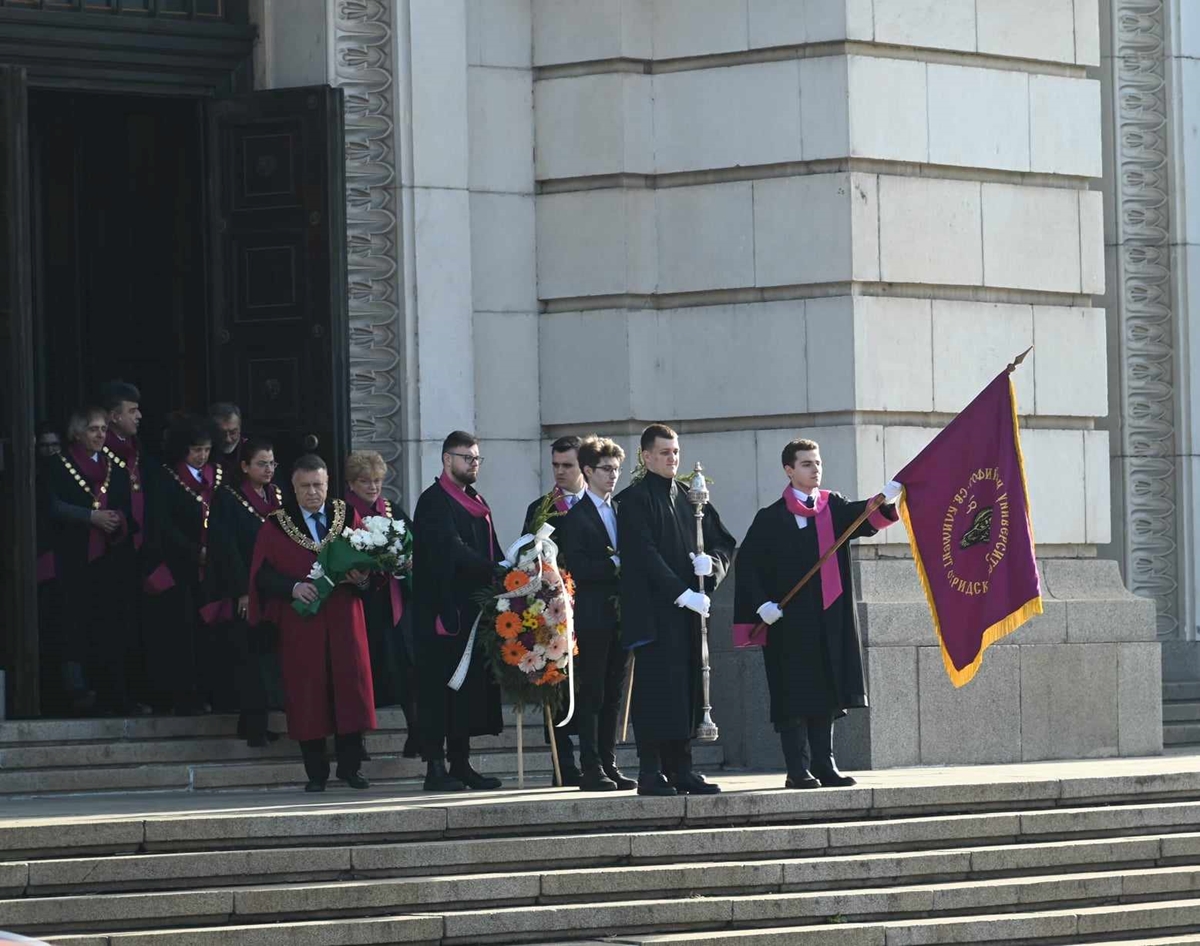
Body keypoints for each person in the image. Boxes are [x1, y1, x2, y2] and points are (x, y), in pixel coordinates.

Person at [733, 438, 900, 789]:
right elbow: (747, 566)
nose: (815, 469)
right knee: (793, 694)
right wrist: (762, 604)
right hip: (788, 624)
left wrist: (887, 496)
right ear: (789, 470)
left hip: (827, 619)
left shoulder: (831, 507)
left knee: (826, 692)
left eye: (818, 462)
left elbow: (865, 518)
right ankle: (798, 769)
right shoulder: (770, 518)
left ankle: (826, 765)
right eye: (807, 464)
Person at [618, 423, 735, 797]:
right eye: (665, 453)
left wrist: (711, 568)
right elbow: (643, 555)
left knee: (687, 690)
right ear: (646, 456)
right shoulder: (634, 500)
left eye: (676, 452)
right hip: (655, 612)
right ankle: (651, 770)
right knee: (656, 692)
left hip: (688, 615)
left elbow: (723, 543)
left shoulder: (691, 498)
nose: (673, 459)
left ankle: (681, 767)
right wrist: (681, 592)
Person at [248, 454, 375, 792]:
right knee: (308, 693)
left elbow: (370, 563)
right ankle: (315, 773)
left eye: (318, 485)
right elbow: (262, 574)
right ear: (293, 486)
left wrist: (362, 577)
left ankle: (351, 768)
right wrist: (293, 587)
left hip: (345, 617)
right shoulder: (276, 522)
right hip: (302, 622)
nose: (313, 493)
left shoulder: (347, 515)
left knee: (350, 688)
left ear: (328, 483)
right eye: (305, 486)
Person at [412, 431, 504, 792]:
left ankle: (461, 763)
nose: (473, 464)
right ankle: (435, 767)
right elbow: (452, 549)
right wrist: (493, 570)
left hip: (473, 611)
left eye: (477, 458)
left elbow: (490, 546)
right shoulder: (434, 501)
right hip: (442, 612)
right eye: (467, 458)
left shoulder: (477, 500)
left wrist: (507, 567)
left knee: (466, 692)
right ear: (447, 460)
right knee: (437, 691)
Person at [45, 407, 137, 715]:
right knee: (73, 626)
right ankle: (76, 694)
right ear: (77, 434)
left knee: (108, 626)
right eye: (93, 429)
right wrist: (90, 517)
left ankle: (113, 693)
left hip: (108, 561)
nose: (100, 435)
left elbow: (128, 510)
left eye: (102, 429)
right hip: (71, 559)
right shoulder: (57, 466)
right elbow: (51, 506)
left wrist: (116, 519)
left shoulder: (116, 468)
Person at [559, 436, 636, 791]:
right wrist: (616, 564)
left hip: (621, 614)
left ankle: (609, 760)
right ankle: (590, 765)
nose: (613, 476)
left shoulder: (621, 511)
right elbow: (578, 566)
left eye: (617, 469)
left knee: (614, 691)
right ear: (588, 471)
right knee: (592, 691)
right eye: (606, 469)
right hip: (591, 614)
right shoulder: (575, 517)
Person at [206, 438, 284, 748]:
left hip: (275, 587)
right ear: (244, 467)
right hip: (246, 589)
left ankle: (259, 720)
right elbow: (227, 549)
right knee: (250, 659)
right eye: (262, 464)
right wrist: (242, 591)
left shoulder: (277, 495)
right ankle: (254, 727)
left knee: (270, 657)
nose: (268, 470)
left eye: (272, 464)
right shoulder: (228, 498)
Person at [344, 450, 419, 758]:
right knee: (361, 672)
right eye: (365, 482)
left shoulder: (391, 509)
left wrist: (409, 560)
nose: (373, 488)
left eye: (377, 481)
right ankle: (355, 741)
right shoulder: (344, 512)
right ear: (351, 483)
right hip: (360, 602)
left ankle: (416, 732)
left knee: (408, 669)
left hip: (394, 602)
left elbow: (414, 540)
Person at [522, 434, 587, 783]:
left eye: (568, 466)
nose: (560, 472)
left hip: (591, 607)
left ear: (584, 468)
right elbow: (524, 556)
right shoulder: (541, 508)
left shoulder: (598, 505)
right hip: (554, 611)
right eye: (555, 466)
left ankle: (595, 758)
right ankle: (563, 763)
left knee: (592, 688)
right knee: (557, 687)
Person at [152, 414, 223, 715]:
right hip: (180, 567)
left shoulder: (218, 476)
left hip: (213, 568)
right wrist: (194, 551)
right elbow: (163, 524)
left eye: (206, 449)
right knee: (182, 633)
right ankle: (183, 695)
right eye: (196, 450)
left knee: (212, 631)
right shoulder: (168, 478)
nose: (202, 456)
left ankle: (213, 691)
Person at [208, 402, 246, 479]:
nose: (227, 439)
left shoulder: (253, 452)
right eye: (221, 433)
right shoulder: (203, 453)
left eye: (233, 433)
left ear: (240, 428)